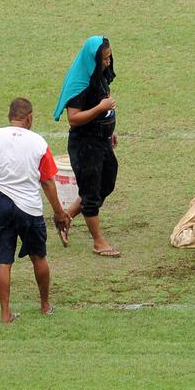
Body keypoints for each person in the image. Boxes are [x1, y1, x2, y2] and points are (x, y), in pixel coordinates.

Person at [0, 97, 70, 323]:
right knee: (38, 257)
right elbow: (48, 182)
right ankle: (45, 305)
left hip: (1, 203)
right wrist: (59, 212)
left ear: (9, 116)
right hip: (29, 208)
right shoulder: (38, 142)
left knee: (4, 261)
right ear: (29, 118)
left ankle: (5, 313)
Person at [53, 35, 120, 257]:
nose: (108, 63)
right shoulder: (80, 83)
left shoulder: (99, 75)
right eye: (104, 59)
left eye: (109, 58)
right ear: (92, 59)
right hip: (85, 144)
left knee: (107, 181)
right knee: (91, 191)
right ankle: (98, 242)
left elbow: (104, 100)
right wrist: (101, 108)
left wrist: (110, 130)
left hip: (101, 139)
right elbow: (73, 118)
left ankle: (67, 216)